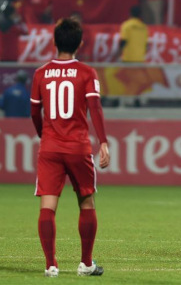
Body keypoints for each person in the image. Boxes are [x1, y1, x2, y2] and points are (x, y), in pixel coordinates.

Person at [30, 18, 110, 277]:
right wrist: (104, 142)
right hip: (77, 147)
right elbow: (95, 109)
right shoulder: (87, 72)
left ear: (54, 42)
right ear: (80, 43)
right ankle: (86, 264)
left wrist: (45, 135)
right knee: (86, 202)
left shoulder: (41, 73)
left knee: (48, 206)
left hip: (50, 148)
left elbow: (34, 111)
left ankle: (50, 265)